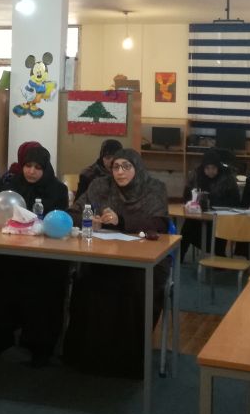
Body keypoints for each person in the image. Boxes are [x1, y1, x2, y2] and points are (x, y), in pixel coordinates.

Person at [64, 149, 170, 378]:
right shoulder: (100, 186)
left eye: (126, 167)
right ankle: (87, 356)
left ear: (137, 168)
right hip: (103, 255)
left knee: (132, 285)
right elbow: (72, 213)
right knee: (87, 281)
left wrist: (121, 220)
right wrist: (88, 219)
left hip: (143, 259)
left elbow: (159, 223)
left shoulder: (154, 188)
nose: (120, 172)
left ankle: (126, 361)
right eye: (116, 167)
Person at [0, 145, 70, 366]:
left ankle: (40, 347)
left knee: (43, 289)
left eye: (38, 167)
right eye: (28, 166)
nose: (31, 171)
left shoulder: (57, 190)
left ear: (45, 169)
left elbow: (59, 223)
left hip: (44, 256)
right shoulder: (12, 186)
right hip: (12, 251)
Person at [180, 149, 241, 259]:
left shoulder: (227, 178)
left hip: (220, 218)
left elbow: (235, 200)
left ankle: (218, 257)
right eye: (207, 168)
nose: (210, 171)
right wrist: (192, 204)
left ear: (218, 167)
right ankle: (178, 258)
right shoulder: (196, 175)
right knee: (188, 227)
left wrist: (215, 204)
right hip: (198, 216)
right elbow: (187, 196)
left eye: (213, 168)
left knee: (218, 236)